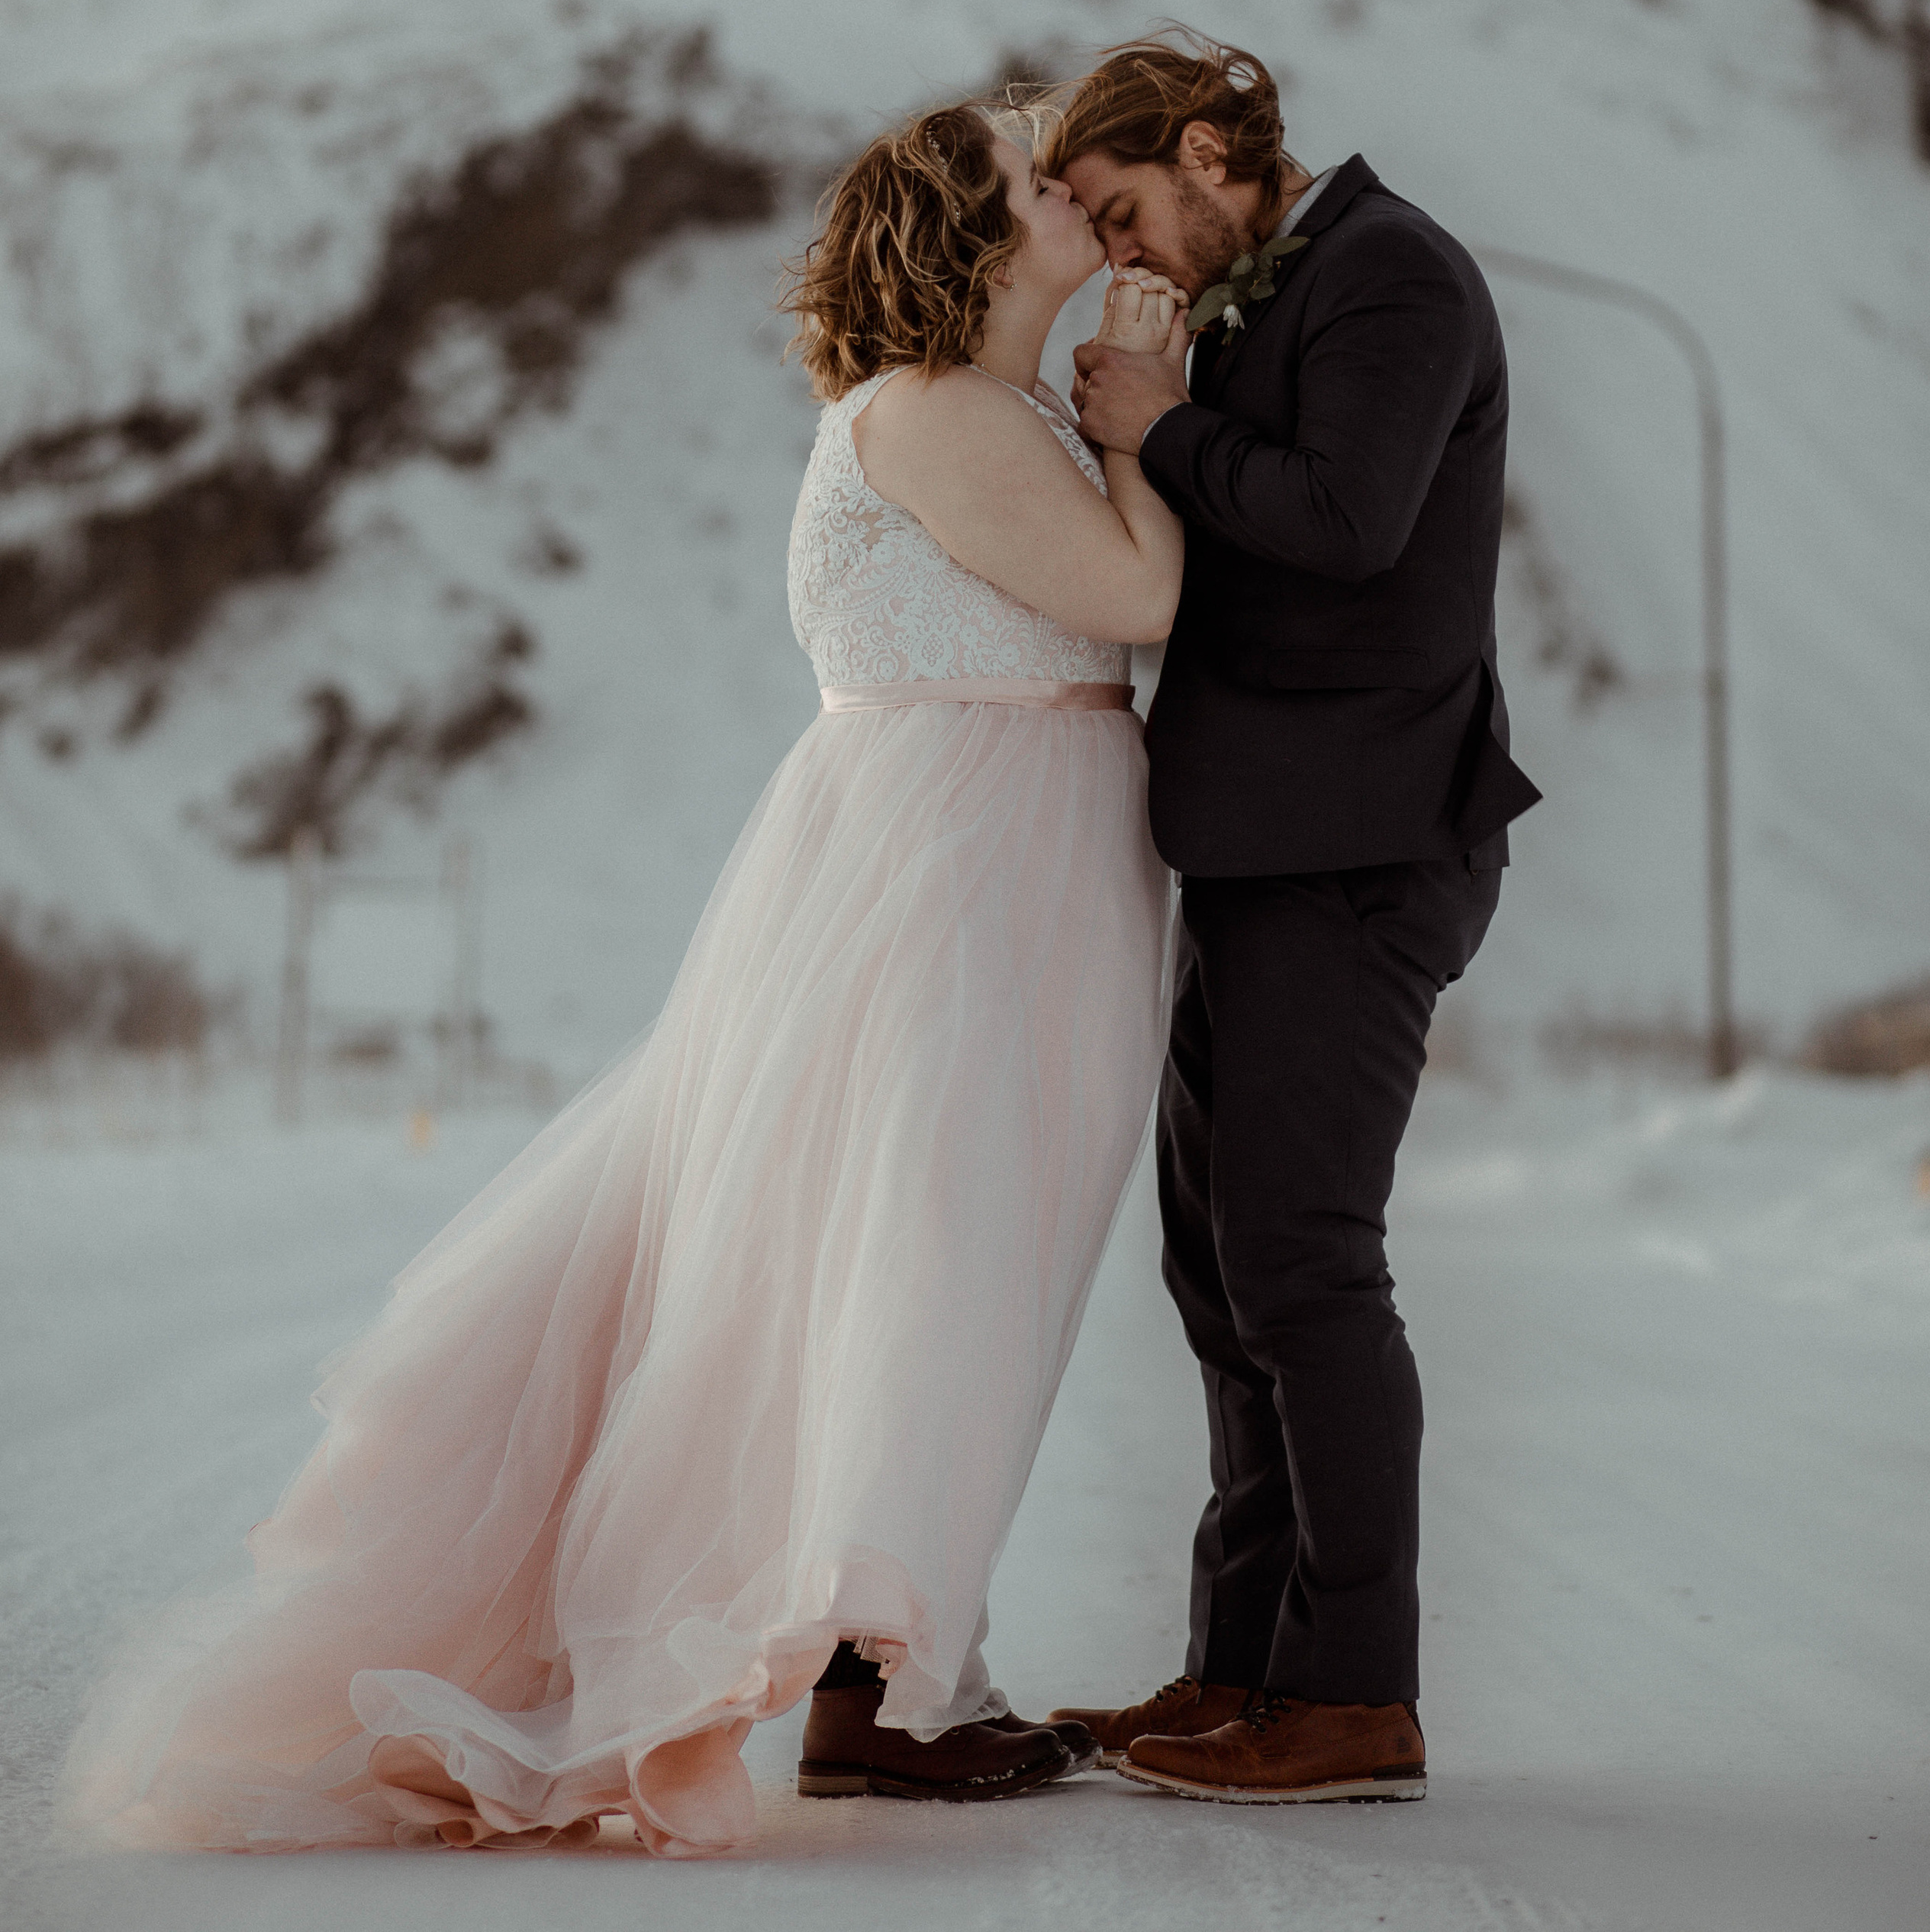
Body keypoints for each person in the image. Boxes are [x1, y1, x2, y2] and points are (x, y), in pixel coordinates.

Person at [65, 102, 1184, 1861]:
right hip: (959, 883)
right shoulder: (944, 412)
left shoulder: (986, 406)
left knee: (930, 1263)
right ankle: (889, 1690)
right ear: (960, 235)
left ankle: (890, 1667)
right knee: (925, 1260)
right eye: (1033, 171)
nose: (1071, 181)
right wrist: (1152, 418)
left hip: (993, 866)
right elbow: (1135, 594)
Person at [1045, 30, 1540, 1808]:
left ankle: (1354, 1698)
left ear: (1203, 149)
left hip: (1359, 848)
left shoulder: (1390, 269)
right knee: (1218, 1274)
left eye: (1120, 216)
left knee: (1302, 1265)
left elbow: (1347, 523)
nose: (1118, 254)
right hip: (1260, 852)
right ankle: (1238, 1672)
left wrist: (1157, 428)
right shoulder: (1271, 290)